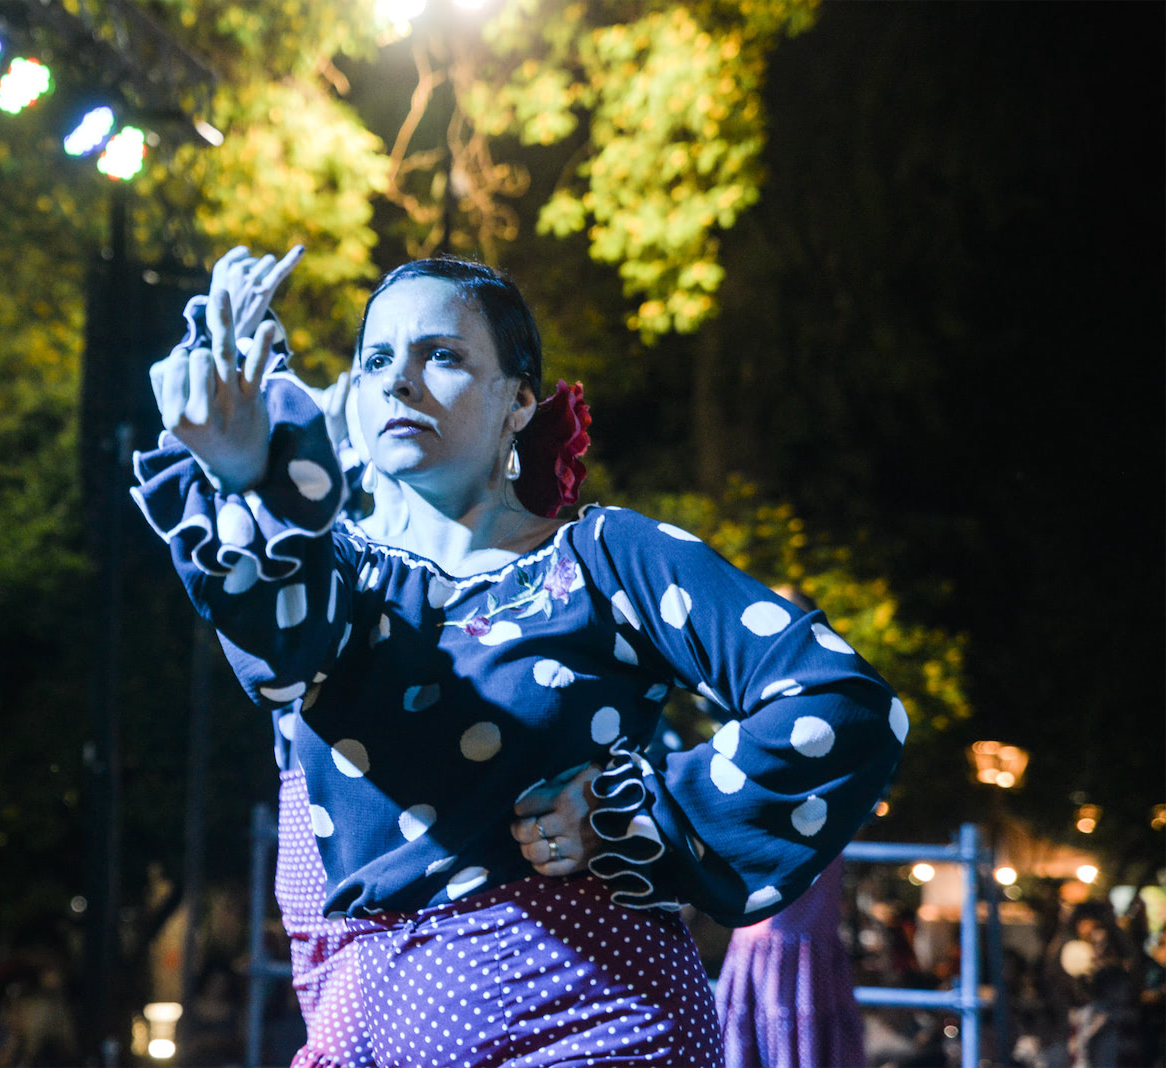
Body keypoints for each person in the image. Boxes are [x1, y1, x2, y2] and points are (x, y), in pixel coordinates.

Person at [135, 250, 906, 1066]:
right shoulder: (335, 579)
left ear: (519, 401)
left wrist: (630, 815)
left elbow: (841, 704)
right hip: (371, 1033)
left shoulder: (609, 559)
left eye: (442, 355)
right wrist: (245, 473)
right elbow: (279, 649)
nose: (400, 384)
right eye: (378, 360)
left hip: (602, 1027)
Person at [711, 587, 868, 1068]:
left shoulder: (822, 691)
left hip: (802, 864)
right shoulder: (755, 688)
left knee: (785, 959)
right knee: (771, 956)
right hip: (770, 879)